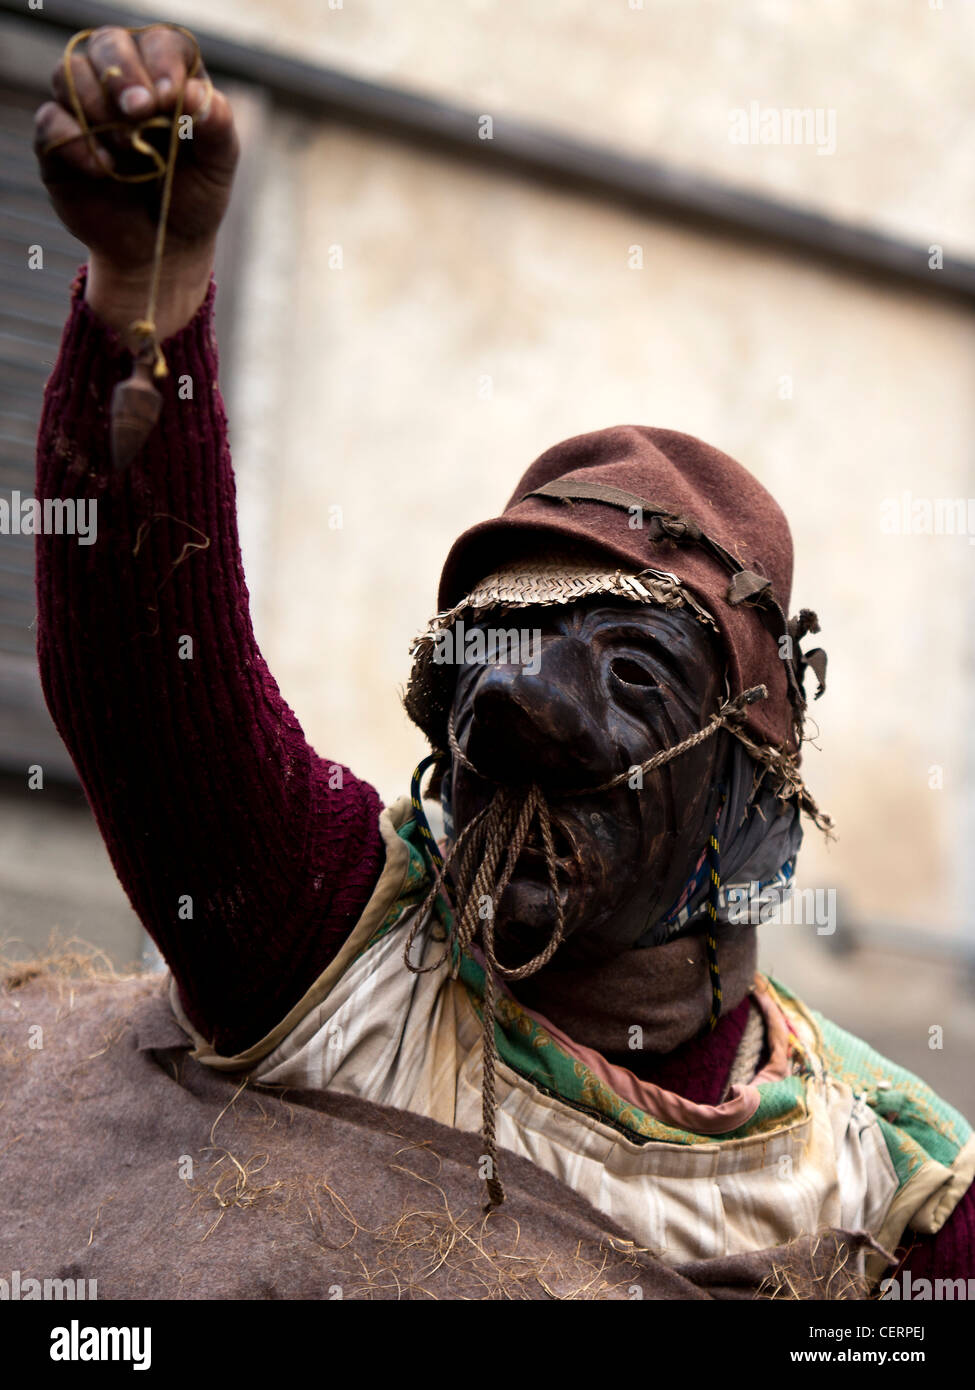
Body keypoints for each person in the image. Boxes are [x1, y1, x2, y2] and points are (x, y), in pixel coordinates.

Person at [33, 24, 974, 1292]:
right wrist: (146, 301)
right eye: (486, 655)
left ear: (754, 792)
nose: (516, 704)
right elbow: (157, 697)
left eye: (633, 676)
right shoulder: (331, 954)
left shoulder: (888, 1186)